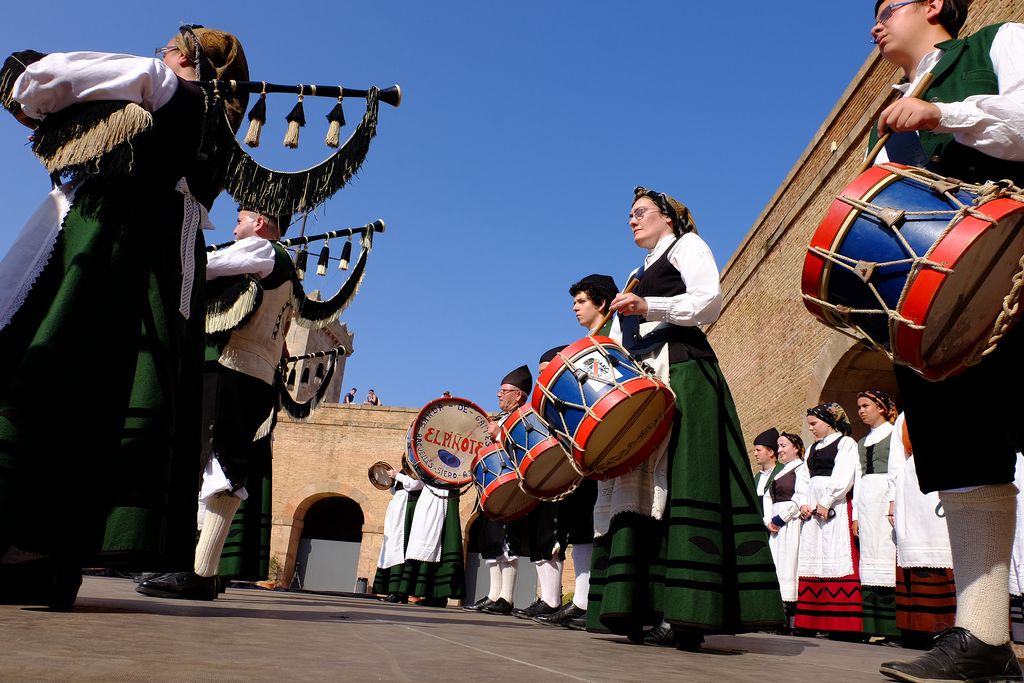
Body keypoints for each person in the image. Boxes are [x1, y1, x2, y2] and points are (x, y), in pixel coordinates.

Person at [0, 26, 249, 608]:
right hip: (158, 272)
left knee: (45, 373)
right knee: (103, 402)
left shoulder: (161, 85)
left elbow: (41, 84)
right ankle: (46, 560)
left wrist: (16, 70)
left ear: (182, 56)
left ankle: (23, 548)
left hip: (102, 247)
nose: (159, 53)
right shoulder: (218, 124)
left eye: (166, 47)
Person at [868, 1, 1024, 679]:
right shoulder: (887, 119)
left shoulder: (998, 44)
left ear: (934, 3)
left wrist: (943, 114)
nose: (874, 22)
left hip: (1013, 267)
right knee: (966, 457)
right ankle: (985, 638)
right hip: (932, 313)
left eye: (886, 7)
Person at [591, 187, 782, 648]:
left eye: (641, 213)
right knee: (643, 490)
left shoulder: (687, 246)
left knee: (685, 479)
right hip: (644, 383)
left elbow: (709, 302)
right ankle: (648, 607)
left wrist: (650, 306)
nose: (632, 221)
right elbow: (620, 340)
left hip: (684, 371)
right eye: (629, 216)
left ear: (669, 218)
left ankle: (690, 615)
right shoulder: (634, 274)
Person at [138, 210, 292, 600]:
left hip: (233, 367)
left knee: (219, 461)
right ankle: (195, 568)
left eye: (241, 218)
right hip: (256, 372)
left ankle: (201, 573)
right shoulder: (285, 265)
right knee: (218, 461)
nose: (234, 226)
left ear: (259, 224)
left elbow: (203, 266)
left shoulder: (260, 248)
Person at [533, 275, 617, 630]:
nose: (574, 307)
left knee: (598, 524)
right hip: (591, 447)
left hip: (612, 438)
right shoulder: (588, 342)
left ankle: (590, 601)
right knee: (586, 526)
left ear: (601, 303)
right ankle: (583, 602)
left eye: (581, 300)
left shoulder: (614, 335)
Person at [463, 365, 531, 615]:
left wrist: (500, 434)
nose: (499, 395)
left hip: (513, 488)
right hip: (492, 488)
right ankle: (493, 594)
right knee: (492, 541)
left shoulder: (525, 417)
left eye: (504, 391)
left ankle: (506, 597)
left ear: (519, 395)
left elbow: (526, 449)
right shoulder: (501, 418)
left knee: (508, 542)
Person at [887, 412, 956, 648]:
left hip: (950, 475)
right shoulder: (904, 418)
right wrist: (892, 499)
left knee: (947, 548)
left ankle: (952, 626)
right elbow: (896, 459)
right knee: (915, 551)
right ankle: (918, 629)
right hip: (912, 485)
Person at [794, 402, 863, 637]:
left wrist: (827, 501)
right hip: (813, 509)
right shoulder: (812, 449)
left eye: (814, 423)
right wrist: (803, 502)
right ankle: (813, 622)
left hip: (835, 507)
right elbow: (803, 478)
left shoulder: (845, 444)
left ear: (829, 421)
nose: (811, 428)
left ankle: (841, 626)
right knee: (815, 557)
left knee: (835, 554)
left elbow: (845, 474)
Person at [854, 390, 900, 641]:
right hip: (867, 502)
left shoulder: (894, 434)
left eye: (866, 405)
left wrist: (894, 500)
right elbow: (859, 477)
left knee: (887, 554)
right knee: (870, 556)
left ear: (881, 407)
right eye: (859, 407)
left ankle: (893, 628)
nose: (861, 410)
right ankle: (872, 627)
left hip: (886, 496)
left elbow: (897, 470)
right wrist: (855, 515)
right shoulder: (862, 442)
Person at [769, 432, 809, 631]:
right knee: (777, 565)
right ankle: (778, 617)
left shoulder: (801, 469)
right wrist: (770, 520)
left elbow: (800, 497)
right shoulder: (780, 472)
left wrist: (780, 519)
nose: (780, 450)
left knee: (789, 565)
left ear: (796, 447)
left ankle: (791, 620)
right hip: (776, 527)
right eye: (778, 446)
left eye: (783, 445)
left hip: (790, 524)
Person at [373, 462, 422, 603]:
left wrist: (397, 476)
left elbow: (415, 485)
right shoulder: (405, 468)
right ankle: (393, 591)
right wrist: (393, 481)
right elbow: (395, 491)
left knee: (401, 547)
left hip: (406, 507)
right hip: (397, 507)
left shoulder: (420, 467)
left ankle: (399, 593)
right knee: (392, 546)